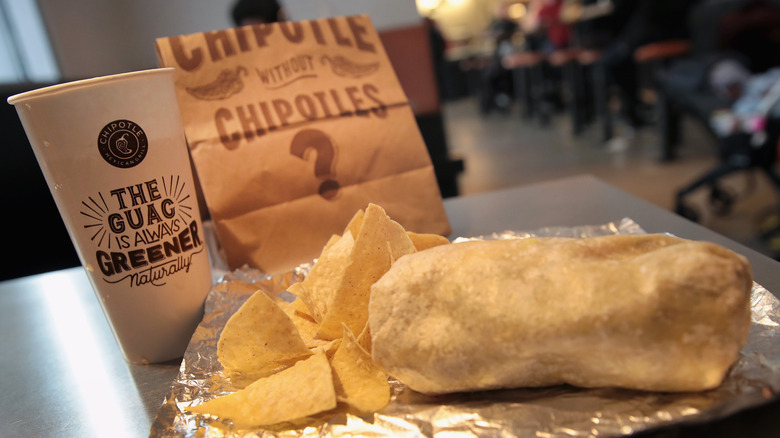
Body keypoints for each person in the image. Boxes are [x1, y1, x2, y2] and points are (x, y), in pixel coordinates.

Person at [599, 0, 702, 128]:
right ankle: (634, 108)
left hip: (662, 32)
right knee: (610, 61)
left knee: (612, 61)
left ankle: (636, 110)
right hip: (640, 34)